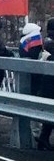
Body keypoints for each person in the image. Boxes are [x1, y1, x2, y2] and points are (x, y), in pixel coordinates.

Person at [34, 19, 54, 150]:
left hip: (47, 82)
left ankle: (43, 138)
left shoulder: (47, 41)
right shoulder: (51, 43)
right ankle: (43, 139)